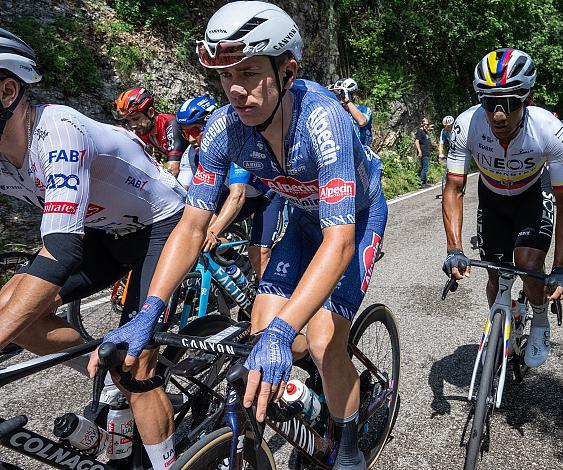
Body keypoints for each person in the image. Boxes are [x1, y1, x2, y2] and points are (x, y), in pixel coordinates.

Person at [88, 3, 387, 469]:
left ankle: (347, 445)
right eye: (225, 76)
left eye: (248, 72)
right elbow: (191, 226)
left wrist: (291, 325)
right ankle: (307, 391)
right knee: (263, 333)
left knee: (325, 340)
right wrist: (150, 310)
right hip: (305, 220)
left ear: (288, 69)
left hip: (355, 221)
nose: (235, 89)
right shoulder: (223, 128)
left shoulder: (324, 121)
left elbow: (340, 242)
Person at [0, 28, 186, 469]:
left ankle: (165, 458)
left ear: (7, 89)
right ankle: (105, 370)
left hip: (158, 225)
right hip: (102, 232)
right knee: (16, 314)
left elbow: (61, 251)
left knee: (135, 365)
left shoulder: (57, 130)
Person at [442, 48, 563, 368]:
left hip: (532, 193)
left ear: (528, 98)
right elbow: (454, 188)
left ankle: (540, 320)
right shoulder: (467, 125)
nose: (499, 114)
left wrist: (560, 268)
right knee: (496, 273)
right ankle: (500, 321)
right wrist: (454, 248)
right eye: (490, 102)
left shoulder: (549, 130)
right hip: (492, 198)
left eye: (511, 101)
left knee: (528, 265)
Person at [175, 95, 285, 277]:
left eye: (196, 130)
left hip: (265, 197)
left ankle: (269, 299)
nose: (191, 139)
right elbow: (182, 193)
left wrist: (212, 231)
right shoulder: (191, 155)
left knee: (258, 254)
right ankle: (238, 271)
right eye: (185, 133)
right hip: (236, 197)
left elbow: (238, 195)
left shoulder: (233, 143)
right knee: (196, 218)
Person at [114, 86, 187, 177]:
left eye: (136, 119)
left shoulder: (170, 124)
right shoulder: (143, 130)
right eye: (127, 121)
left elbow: (173, 169)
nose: (133, 125)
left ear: (150, 112)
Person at [332, 78, 374, 147]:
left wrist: (347, 101)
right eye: (339, 97)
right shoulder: (337, 111)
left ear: (353, 95)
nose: (341, 100)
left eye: (343, 96)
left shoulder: (364, 109)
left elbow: (361, 121)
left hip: (363, 152)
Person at [415, 117, 432, 186]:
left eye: (427, 124)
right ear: (422, 124)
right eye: (425, 124)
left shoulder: (425, 132)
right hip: (423, 152)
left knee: (424, 167)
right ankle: (421, 183)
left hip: (426, 152)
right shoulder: (420, 131)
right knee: (425, 168)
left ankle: (424, 183)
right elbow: (416, 141)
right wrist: (419, 151)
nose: (427, 126)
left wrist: (428, 128)